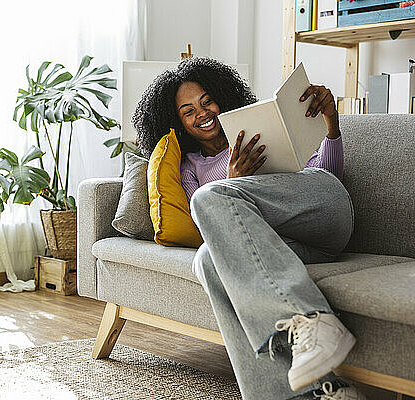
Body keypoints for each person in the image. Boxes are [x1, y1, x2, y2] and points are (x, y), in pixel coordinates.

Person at [132, 57, 367, 400]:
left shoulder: (257, 131)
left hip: (323, 209)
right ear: (179, 123)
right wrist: (235, 185)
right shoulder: (192, 167)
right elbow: (210, 225)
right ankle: (316, 394)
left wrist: (330, 122)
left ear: (223, 98)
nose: (201, 113)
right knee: (208, 259)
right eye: (188, 111)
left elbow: (328, 176)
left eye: (207, 101)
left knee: (209, 197)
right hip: (286, 245)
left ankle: (313, 319)